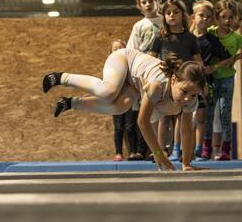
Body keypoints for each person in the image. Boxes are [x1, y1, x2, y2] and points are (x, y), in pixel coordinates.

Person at [42, 49, 204, 172]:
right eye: (184, 92)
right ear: (174, 79)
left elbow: (186, 130)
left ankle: (70, 103)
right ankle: (61, 77)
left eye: (193, 95)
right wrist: (158, 152)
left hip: (135, 84)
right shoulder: (157, 85)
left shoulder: (190, 100)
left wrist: (187, 164)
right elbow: (142, 121)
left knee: (120, 107)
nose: (187, 99)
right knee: (109, 92)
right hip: (124, 59)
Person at [207, 0, 242, 161]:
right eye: (223, 17)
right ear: (217, 17)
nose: (227, 21)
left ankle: (225, 149)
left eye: (230, 17)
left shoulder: (235, 38)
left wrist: (236, 57)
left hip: (227, 78)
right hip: (211, 79)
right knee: (209, 113)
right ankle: (209, 148)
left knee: (224, 113)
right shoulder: (210, 32)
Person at [151, 0, 201, 162]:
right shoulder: (160, 37)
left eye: (176, 12)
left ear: (183, 15)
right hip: (167, 82)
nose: (172, 15)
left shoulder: (190, 38)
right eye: (168, 12)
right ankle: (161, 152)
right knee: (164, 118)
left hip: (185, 82)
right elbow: (151, 59)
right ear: (164, 16)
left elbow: (197, 61)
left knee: (184, 118)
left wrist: (201, 82)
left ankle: (181, 151)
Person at [191, 0, 234, 160]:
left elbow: (228, 58)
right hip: (185, 83)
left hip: (205, 82)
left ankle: (200, 148)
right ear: (193, 17)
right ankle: (179, 148)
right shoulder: (186, 37)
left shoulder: (212, 40)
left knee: (203, 117)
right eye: (201, 15)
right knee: (185, 116)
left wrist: (213, 68)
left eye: (209, 17)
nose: (205, 19)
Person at [125, 0, 163, 160]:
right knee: (146, 111)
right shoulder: (139, 25)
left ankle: (164, 147)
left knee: (163, 113)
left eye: (151, 1)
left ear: (158, 2)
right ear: (139, 5)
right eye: (144, 2)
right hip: (144, 71)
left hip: (162, 69)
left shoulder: (165, 22)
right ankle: (149, 149)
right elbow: (131, 49)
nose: (148, 5)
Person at [108, 39, 136, 161]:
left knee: (130, 127)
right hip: (116, 99)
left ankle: (133, 152)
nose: (118, 51)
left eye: (120, 48)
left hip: (129, 98)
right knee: (118, 127)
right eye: (115, 49)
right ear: (111, 52)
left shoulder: (130, 65)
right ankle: (118, 152)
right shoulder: (109, 65)